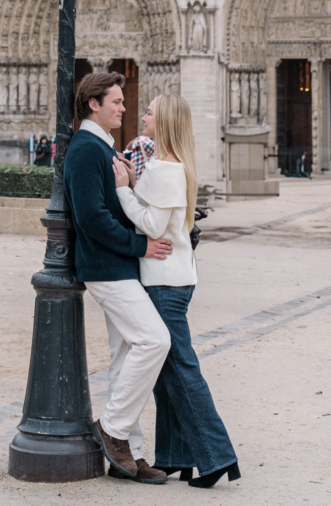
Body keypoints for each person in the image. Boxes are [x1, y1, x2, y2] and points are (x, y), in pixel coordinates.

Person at [115, 96, 240, 489]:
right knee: (167, 372)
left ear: (164, 121)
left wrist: (123, 190)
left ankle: (217, 458)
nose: (144, 116)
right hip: (175, 277)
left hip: (164, 281)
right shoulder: (174, 166)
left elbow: (151, 224)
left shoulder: (162, 168)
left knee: (182, 372)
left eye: (150, 111)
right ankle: (176, 457)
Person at [62, 70, 172, 483]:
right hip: (106, 268)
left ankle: (131, 453)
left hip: (117, 265)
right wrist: (140, 246)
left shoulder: (100, 147)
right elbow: (91, 217)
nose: (124, 109)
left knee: (126, 357)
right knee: (154, 340)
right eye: (117, 102)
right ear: (94, 104)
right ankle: (111, 428)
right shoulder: (85, 149)